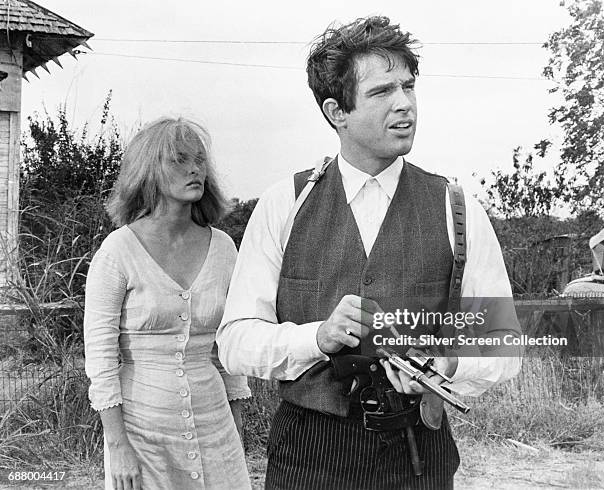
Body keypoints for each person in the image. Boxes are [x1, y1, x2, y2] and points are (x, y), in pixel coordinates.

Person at [217, 16, 521, 490]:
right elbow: (235, 341)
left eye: (409, 87)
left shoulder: (455, 207)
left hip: (419, 454)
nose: (405, 105)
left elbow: (505, 340)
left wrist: (447, 364)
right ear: (337, 111)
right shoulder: (285, 205)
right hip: (307, 456)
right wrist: (317, 337)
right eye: (382, 92)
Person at [84, 117, 252, 490]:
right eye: (178, 159)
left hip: (214, 427)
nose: (195, 169)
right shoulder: (118, 251)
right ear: (149, 169)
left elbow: (229, 346)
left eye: (199, 159)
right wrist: (118, 446)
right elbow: (100, 358)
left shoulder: (224, 248)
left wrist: (235, 426)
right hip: (143, 432)